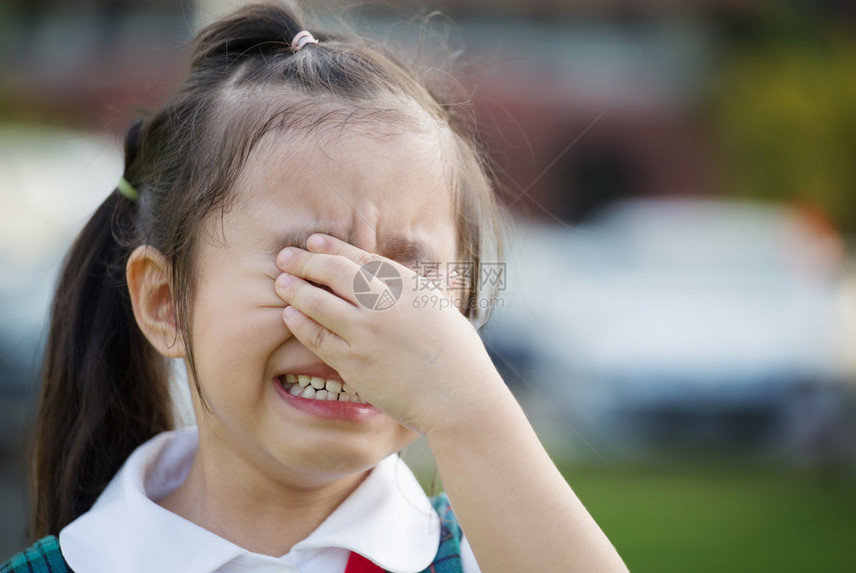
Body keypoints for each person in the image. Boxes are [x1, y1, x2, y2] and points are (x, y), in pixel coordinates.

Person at [1, 2, 627, 572]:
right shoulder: (80, 562)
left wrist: (470, 411)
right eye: (305, 263)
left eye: (406, 277)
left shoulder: (485, 555)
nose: (354, 314)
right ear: (166, 303)